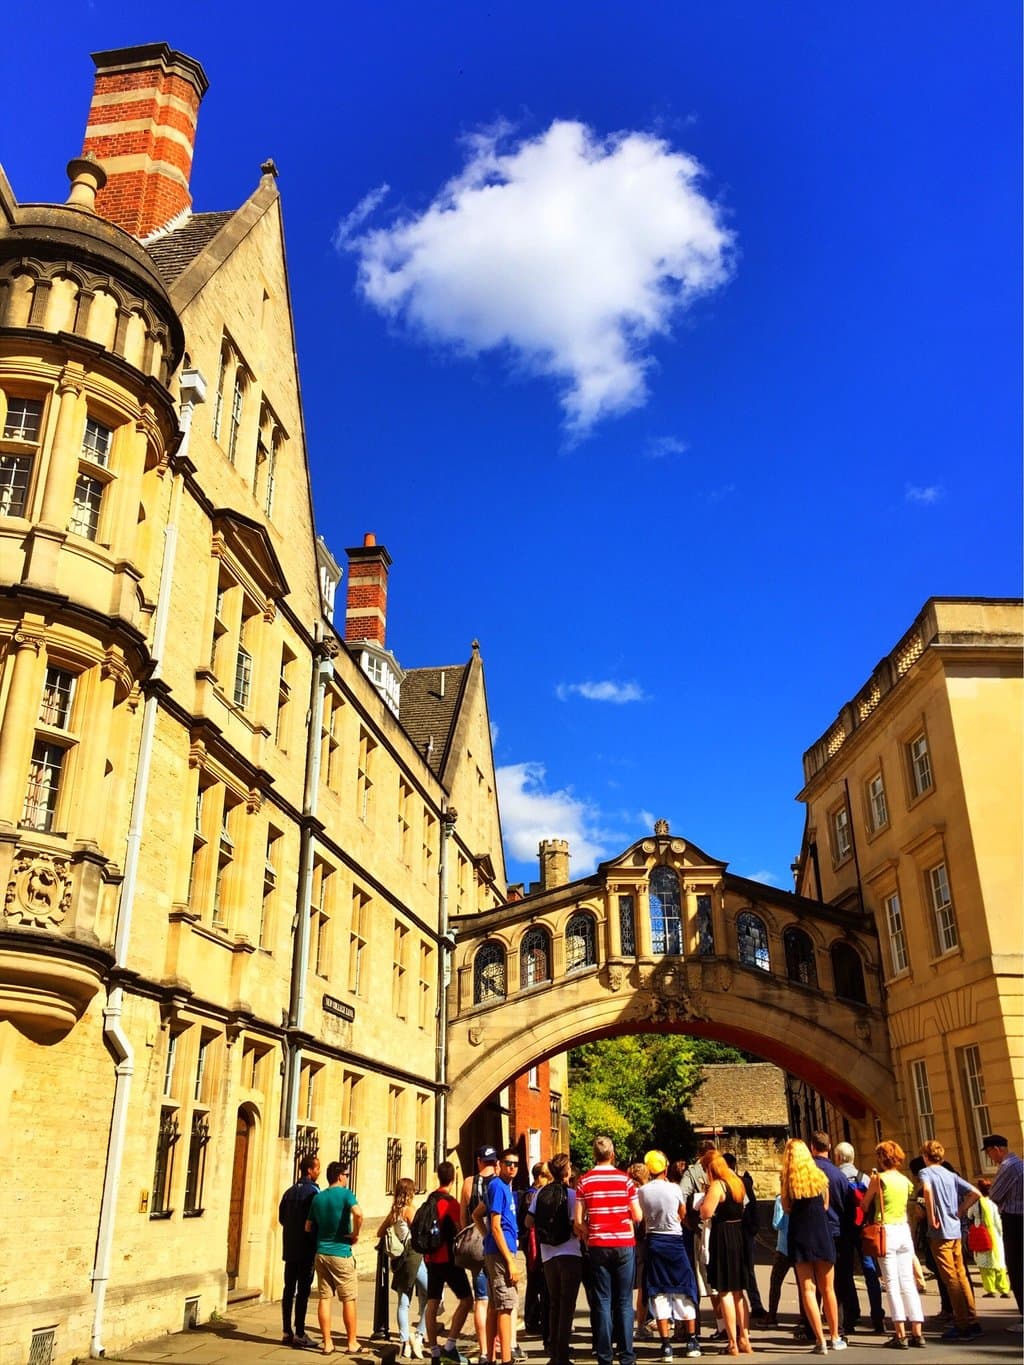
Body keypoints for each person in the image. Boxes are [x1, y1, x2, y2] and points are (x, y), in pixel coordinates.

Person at [574, 1135, 642, 1365]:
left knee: (602, 1300)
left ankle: (604, 1355)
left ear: (594, 1155)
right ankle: (627, 1355)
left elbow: (578, 1221)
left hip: (598, 1245)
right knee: (623, 1301)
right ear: (612, 1154)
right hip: (624, 1243)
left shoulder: (584, 1181)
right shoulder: (626, 1181)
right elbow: (638, 1215)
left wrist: (587, 1231)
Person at [780, 1138, 843, 1355]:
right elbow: (825, 1205)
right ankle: (835, 1336)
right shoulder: (819, 1176)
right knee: (828, 1288)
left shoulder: (787, 1180)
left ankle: (820, 1340)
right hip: (821, 1231)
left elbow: (786, 1208)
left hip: (800, 1233)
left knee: (807, 1288)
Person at [637, 1149, 700, 1360]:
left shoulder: (643, 1191)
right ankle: (692, 1341)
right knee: (685, 1288)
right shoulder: (673, 1188)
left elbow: (642, 1217)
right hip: (674, 1241)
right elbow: (682, 1213)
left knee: (659, 1291)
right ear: (665, 1167)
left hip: (654, 1241)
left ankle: (666, 1345)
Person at [861, 1140, 924, 1349]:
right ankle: (917, 1331)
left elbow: (864, 1204)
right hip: (903, 1230)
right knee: (908, 1282)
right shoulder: (905, 1180)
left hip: (885, 1230)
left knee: (892, 1284)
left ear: (882, 1158)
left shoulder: (878, 1179)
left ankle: (900, 1333)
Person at [918, 1139, 980, 1343]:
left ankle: (962, 1324)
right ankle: (972, 1319)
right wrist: (961, 1211)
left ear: (926, 1157)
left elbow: (926, 1190)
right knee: (961, 1274)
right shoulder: (950, 1174)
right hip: (955, 1230)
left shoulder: (926, 1172)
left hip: (939, 1232)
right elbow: (975, 1193)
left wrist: (932, 1214)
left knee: (950, 1278)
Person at [526, 1151, 583, 1365]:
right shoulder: (573, 1195)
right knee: (567, 1306)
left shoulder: (541, 1194)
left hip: (547, 1254)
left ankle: (553, 1352)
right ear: (567, 1171)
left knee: (554, 1304)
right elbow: (576, 1225)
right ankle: (561, 1355)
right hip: (570, 1253)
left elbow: (528, 1223)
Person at [306, 1160, 363, 1355]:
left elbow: (308, 1226)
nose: (347, 1177)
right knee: (348, 1298)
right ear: (340, 1176)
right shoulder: (346, 1194)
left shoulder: (318, 1198)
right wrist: (355, 1233)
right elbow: (359, 1214)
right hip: (341, 1253)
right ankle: (352, 1342)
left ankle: (327, 1343)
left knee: (325, 1297)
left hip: (322, 1253)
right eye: (346, 1174)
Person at [698, 1149, 751, 1356]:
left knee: (725, 1292)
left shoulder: (717, 1186)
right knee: (739, 1292)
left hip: (722, 1236)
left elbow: (706, 1212)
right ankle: (745, 1338)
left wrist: (702, 1200)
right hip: (738, 1234)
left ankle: (732, 1342)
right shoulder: (737, 1183)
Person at [424, 1161, 474, 1365]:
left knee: (432, 1303)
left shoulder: (429, 1199)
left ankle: (434, 1351)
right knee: (467, 1300)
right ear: (453, 1179)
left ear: (439, 1178)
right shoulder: (451, 1203)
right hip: (448, 1259)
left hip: (430, 1258)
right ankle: (450, 1345)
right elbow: (460, 1227)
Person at [810, 1132, 857, 1338]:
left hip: (816, 1232)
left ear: (812, 1147)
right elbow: (849, 1208)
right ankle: (843, 1324)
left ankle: (813, 1327)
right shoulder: (839, 1175)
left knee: (813, 1283)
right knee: (840, 1281)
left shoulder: (808, 1172)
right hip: (840, 1232)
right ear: (829, 1148)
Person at [478, 1148, 521, 1365]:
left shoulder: (503, 1187)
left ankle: (491, 1358)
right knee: (505, 1305)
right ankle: (505, 1359)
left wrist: (488, 1239)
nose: (512, 1167)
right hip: (500, 1255)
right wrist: (510, 1261)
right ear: (499, 1165)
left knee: (496, 1306)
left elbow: (478, 1213)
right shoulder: (497, 1186)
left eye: (515, 1164)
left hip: (498, 1251)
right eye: (508, 1163)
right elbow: (495, 1225)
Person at [379, 1176, 428, 1358]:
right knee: (431, 1297)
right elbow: (419, 1234)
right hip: (414, 1258)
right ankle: (419, 1335)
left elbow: (380, 1232)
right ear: (410, 1192)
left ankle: (404, 1342)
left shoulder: (393, 1212)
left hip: (399, 1261)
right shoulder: (410, 1211)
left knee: (403, 1303)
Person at [462, 1146, 499, 1364]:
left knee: (481, 1299)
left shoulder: (468, 1183)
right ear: (495, 1162)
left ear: (478, 1161)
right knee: (498, 1299)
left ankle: (484, 1350)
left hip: (476, 1246)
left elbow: (462, 1219)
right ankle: (498, 1345)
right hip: (496, 1243)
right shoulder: (501, 1183)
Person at [280, 1154, 321, 1348]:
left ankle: (287, 1331)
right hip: (306, 1248)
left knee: (288, 1289)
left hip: (290, 1248)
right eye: (317, 1168)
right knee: (303, 1291)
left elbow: (282, 1218)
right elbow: (315, 1220)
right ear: (309, 1171)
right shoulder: (314, 1192)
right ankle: (301, 1332)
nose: (319, 1171)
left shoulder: (289, 1192)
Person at [982, 1133, 1023, 1314]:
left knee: (1016, 1268)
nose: (990, 1157)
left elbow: (994, 1194)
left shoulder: (1008, 1167)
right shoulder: (1020, 1164)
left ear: (997, 1149)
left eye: (989, 1153)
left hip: (1014, 1219)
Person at [723, 1153, 766, 1319]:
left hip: (735, 1231)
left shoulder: (724, 1184)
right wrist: (754, 1227)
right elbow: (753, 1205)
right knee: (748, 1268)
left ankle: (746, 1305)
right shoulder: (744, 1182)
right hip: (746, 1231)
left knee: (738, 1269)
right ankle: (755, 1304)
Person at [522, 1162, 551, 1343]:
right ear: (539, 1176)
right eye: (547, 1176)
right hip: (533, 1243)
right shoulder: (531, 1195)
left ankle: (535, 1318)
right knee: (535, 1282)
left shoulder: (533, 1194)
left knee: (538, 1281)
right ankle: (532, 1320)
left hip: (535, 1242)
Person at [969, 1179, 1011, 1300]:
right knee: (999, 1263)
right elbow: (998, 1221)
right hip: (995, 1235)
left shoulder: (977, 1204)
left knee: (985, 1265)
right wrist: (1001, 1234)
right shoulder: (993, 1204)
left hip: (982, 1235)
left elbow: (969, 1214)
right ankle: (1004, 1289)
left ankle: (990, 1289)